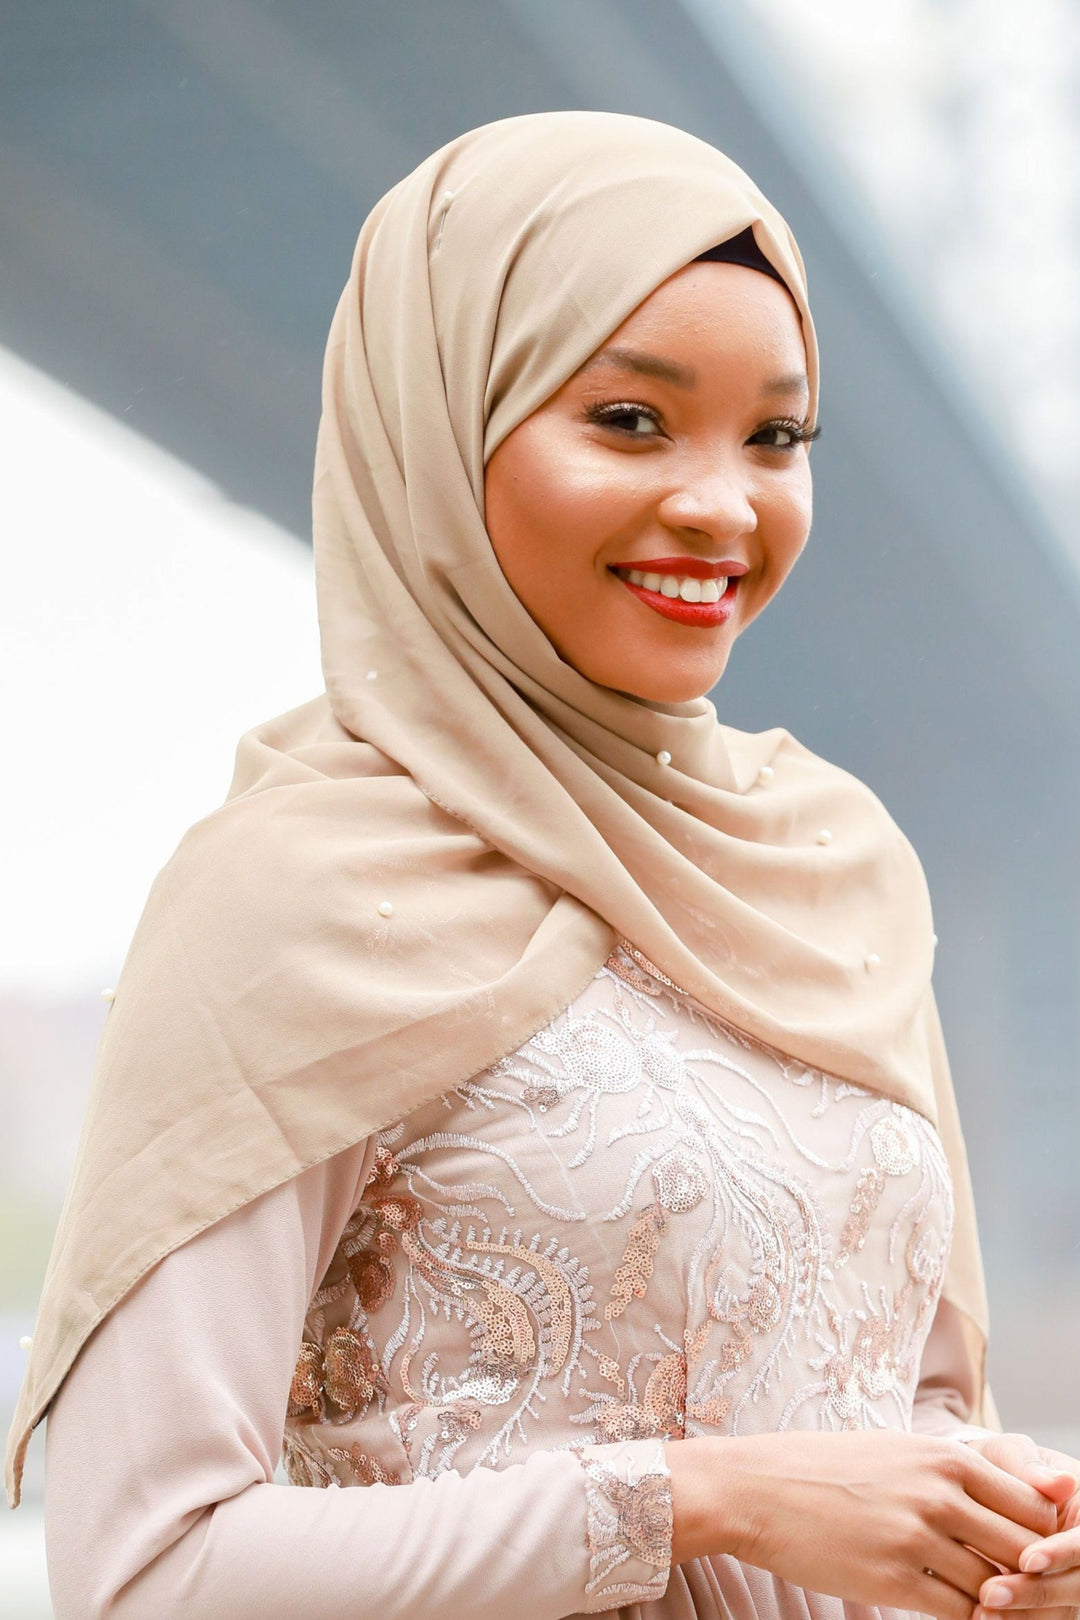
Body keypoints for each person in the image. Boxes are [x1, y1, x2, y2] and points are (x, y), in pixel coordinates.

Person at [8, 111, 1079, 1620]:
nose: (723, 504)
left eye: (775, 436)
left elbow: (910, 1430)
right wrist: (706, 1501)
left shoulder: (836, 865)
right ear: (440, 425)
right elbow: (146, 1570)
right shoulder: (292, 897)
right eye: (632, 421)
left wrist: (1010, 1552)